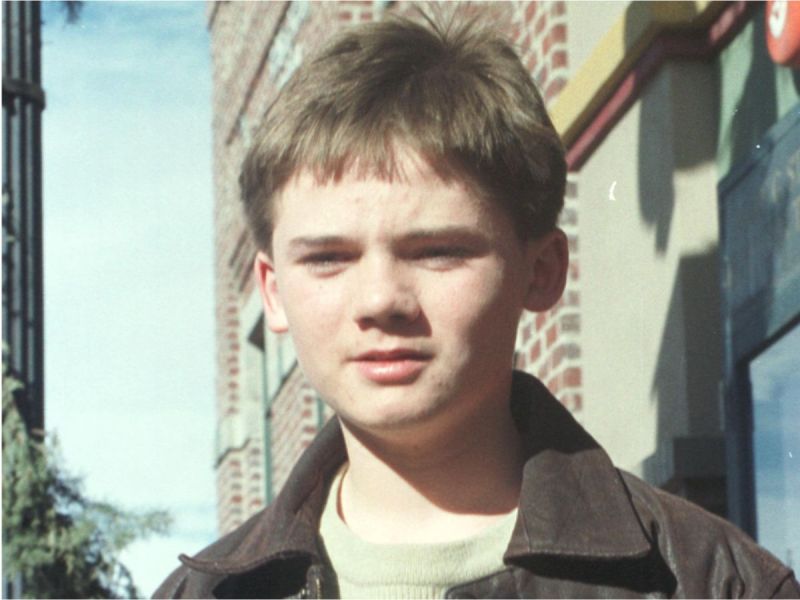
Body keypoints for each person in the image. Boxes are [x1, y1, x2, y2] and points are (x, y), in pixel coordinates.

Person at [155, 12, 799, 599]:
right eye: (327, 258)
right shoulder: (201, 595)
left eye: (437, 251)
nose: (381, 300)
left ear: (540, 272)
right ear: (273, 291)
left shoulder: (711, 581)